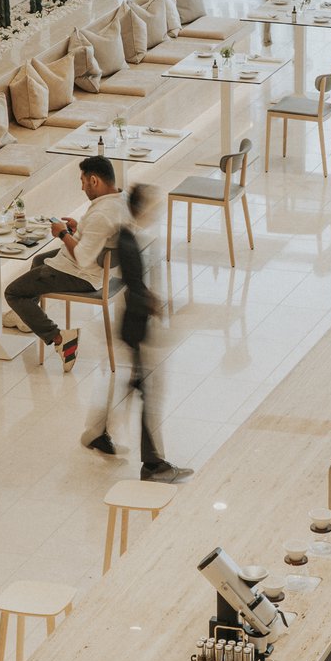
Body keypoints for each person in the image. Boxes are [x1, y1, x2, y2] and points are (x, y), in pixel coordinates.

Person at [83, 184, 194, 484]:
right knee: (149, 393)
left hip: (133, 327)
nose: (156, 211)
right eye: (153, 205)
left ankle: (98, 432)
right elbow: (134, 288)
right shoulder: (129, 241)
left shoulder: (130, 235)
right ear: (141, 208)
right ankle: (152, 464)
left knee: (137, 386)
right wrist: (155, 305)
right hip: (135, 327)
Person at [5, 155, 130, 373]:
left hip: (81, 274)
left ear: (94, 181)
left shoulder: (102, 213)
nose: (82, 188)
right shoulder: (120, 199)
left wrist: (62, 234)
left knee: (13, 292)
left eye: (82, 181)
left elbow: (82, 257)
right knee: (38, 259)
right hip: (94, 266)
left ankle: (60, 337)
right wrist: (78, 229)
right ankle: (28, 316)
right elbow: (98, 236)